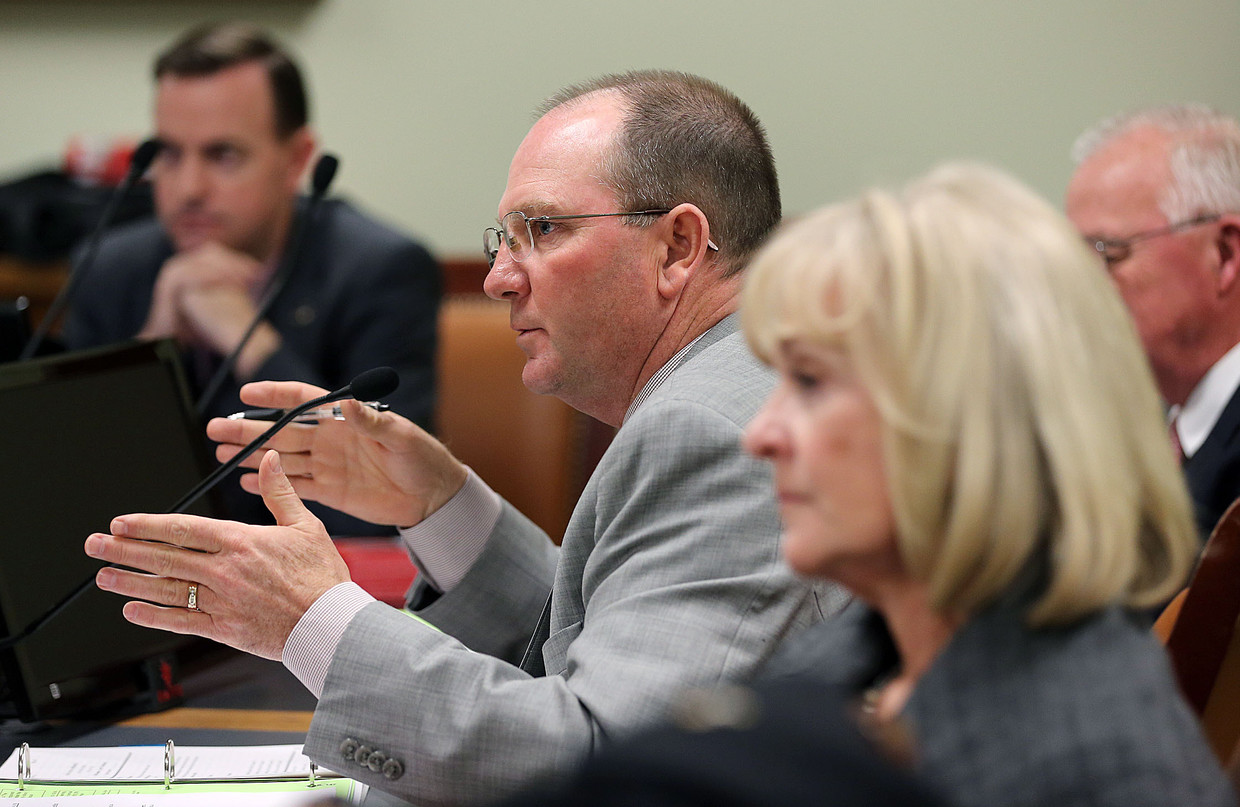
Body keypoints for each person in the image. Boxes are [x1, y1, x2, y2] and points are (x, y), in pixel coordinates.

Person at [84, 70, 847, 806]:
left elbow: (609, 763)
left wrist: (312, 618)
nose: (499, 279)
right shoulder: (737, 381)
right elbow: (613, 644)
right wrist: (440, 504)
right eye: (502, 239)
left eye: (542, 230)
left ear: (679, 246)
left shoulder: (710, 430)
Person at [730, 164, 1230, 807]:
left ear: (964, 422)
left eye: (809, 382)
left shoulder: (1103, 772)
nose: (760, 435)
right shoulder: (878, 652)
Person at [61, 22, 441, 534]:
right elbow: (67, 499)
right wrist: (152, 353)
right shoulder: (108, 269)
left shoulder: (381, 271)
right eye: (170, 155)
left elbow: (384, 515)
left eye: (224, 156)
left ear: (296, 159)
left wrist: (253, 345)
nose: (189, 188)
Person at [1065, 104, 1240, 654]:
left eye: (1107, 254)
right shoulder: (1168, 407)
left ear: (1225, 252)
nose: (1079, 291)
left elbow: (1237, 680)